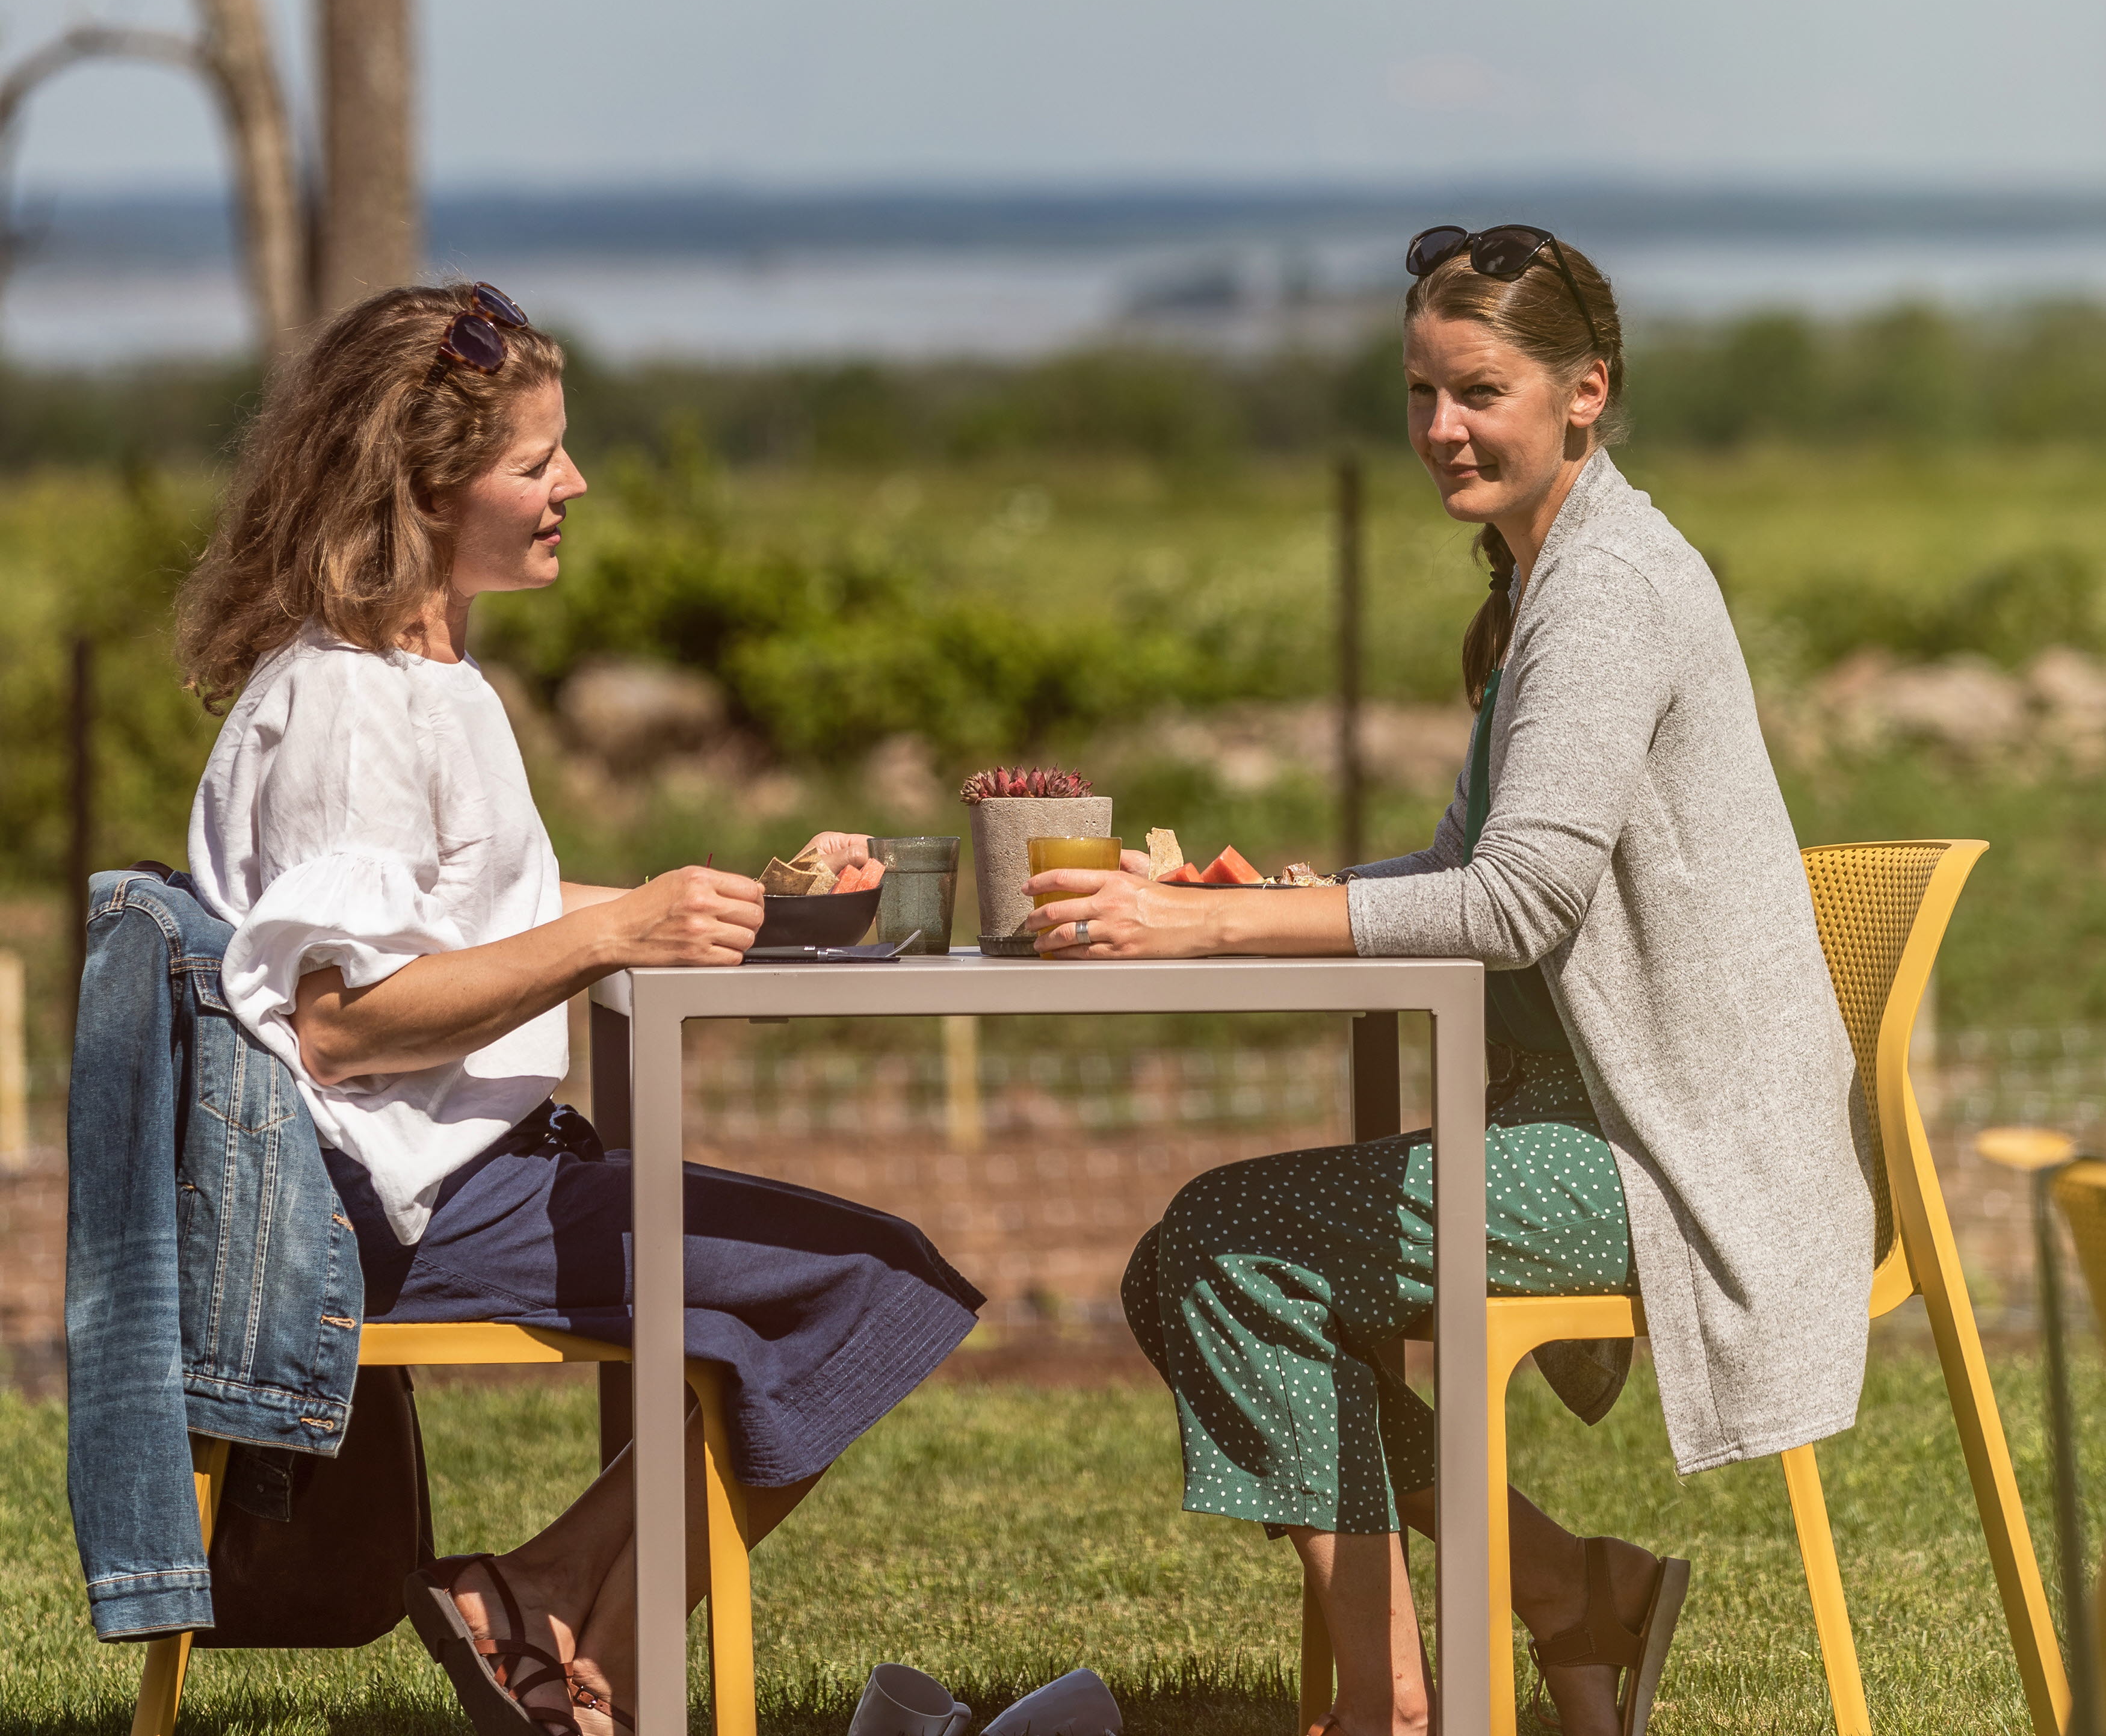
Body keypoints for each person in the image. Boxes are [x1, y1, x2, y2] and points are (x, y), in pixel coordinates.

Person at [1022, 226, 1873, 1736]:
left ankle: (1394, 1703)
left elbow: (1515, 903)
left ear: (1584, 390)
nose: (1439, 428)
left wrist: (1203, 934)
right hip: (1594, 1121)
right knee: (1196, 1263)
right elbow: (1460, 868)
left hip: (1669, 1159)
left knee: (1225, 1245)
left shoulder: (1607, 589)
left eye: (1478, 391)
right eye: (1420, 391)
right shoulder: (1551, 577)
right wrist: (1268, 899)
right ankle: (1562, 1588)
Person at [177, 282, 983, 1736]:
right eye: (536, 461)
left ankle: (549, 1626)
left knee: (853, 1282)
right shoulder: (353, 709)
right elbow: (347, 1023)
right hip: (392, 1214)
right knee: (880, 1282)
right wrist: (619, 929)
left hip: (466, 1174)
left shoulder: (425, 679)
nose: (576, 485)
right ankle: (552, 1619)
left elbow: (479, 916)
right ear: (426, 489)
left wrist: (748, 910)